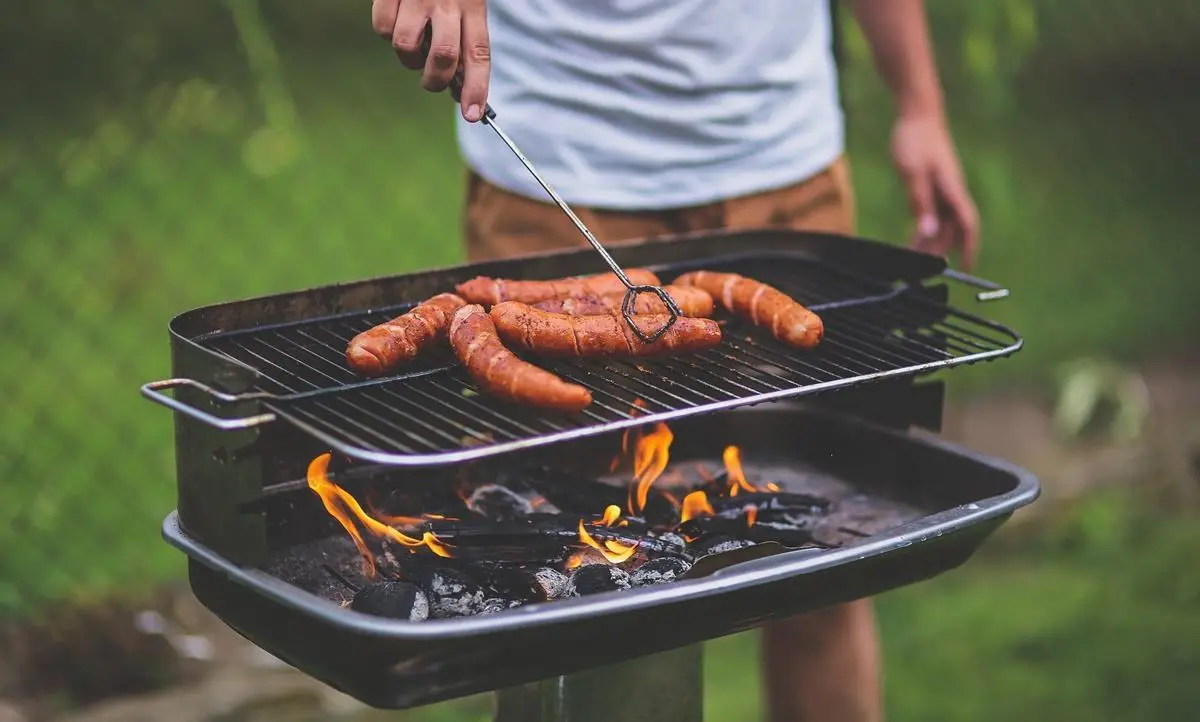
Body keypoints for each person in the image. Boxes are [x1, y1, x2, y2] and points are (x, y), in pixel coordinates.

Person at [371, 1, 980, 720]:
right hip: (553, 171)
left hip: (783, 165)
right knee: (567, 583)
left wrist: (919, 103)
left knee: (822, 566)